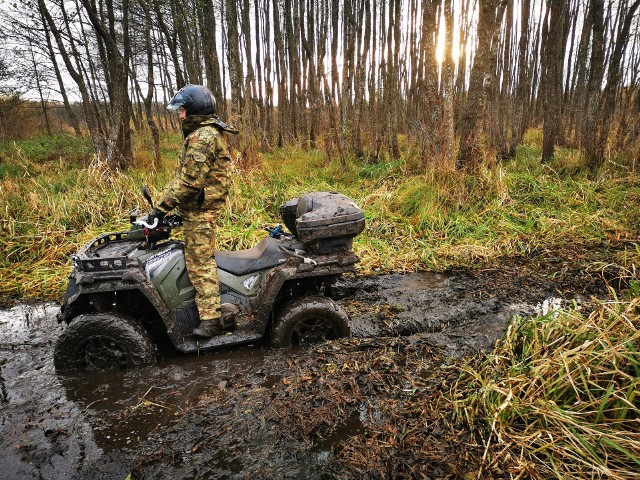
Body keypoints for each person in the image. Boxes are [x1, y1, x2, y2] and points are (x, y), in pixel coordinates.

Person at [148, 84, 239, 338]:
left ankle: (211, 320)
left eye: (183, 110)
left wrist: (160, 209)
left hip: (201, 211)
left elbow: (190, 181)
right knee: (194, 259)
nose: (180, 115)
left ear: (195, 109)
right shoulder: (204, 133)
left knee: (200, 263)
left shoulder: (203, 136)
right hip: (197, 207)